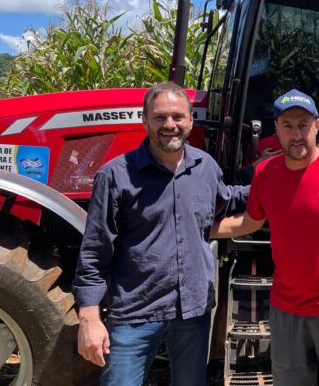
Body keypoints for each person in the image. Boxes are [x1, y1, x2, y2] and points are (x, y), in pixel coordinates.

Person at [73, 82, 246, 385]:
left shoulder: (205, 167)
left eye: (178, 117)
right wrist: (89, 318)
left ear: (190, 120)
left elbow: (226, 199)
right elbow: (94, 253)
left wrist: (279, 180)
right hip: (135, 313)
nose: (170, 125)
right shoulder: (115, 176)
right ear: (144, 120)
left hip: (192, 311)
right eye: (160, 117)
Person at [213, 89, 319, 386]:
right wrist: (202, 229)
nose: (296, 134)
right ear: (277, 129)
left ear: (316, 126)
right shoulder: (266, 173)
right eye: (288, 125)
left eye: (303, 125)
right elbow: (249, 222)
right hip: (286, 314)